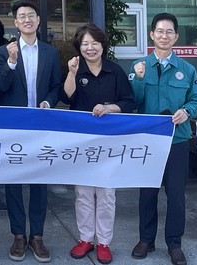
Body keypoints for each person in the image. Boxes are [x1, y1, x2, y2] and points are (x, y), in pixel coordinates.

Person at [129, 13, 197, 265]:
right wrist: (139, 79)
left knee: (176, 195)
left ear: (176, 36)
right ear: (152, 34)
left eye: (169, 32)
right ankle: (146, 239)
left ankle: (174, 243)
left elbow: (196, 99)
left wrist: (187, 112)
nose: (164, 36)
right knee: (147, 193)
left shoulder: (187, 69)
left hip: (177, 140)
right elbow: (133, 101)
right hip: (148, 140)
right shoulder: (139, 66)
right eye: (160, 31)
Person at [62, 24, 135, 265]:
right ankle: (85, 239)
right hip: (82, 141)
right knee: (83, 193)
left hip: (109, 141)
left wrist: (108, 108)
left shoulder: (115, 71)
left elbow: (128, 101)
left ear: (102, 45)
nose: (90, 48)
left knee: (106, 193)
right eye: (85, 44)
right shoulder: (77, 69)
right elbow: (67, 97)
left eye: (94, 43)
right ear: (79, 47)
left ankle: (104, 242)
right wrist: (71, 73)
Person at [0, 0, 62, 263]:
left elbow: (56, 86)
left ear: (38, 21)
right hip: (14, 127)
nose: (27, 20)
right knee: (13, 182)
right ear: (15, 23)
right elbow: (0, 86)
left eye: (31, 15)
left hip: (41, 126)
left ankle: (37, 236)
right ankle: (18, 235)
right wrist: (11, 62)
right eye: (22, 16)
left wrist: (48, 101)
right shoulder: (4, 51)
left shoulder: (50, 52)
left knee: (39, 183)